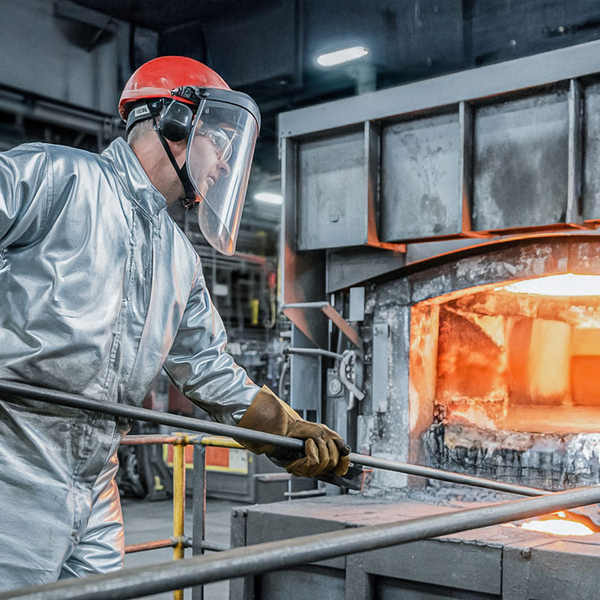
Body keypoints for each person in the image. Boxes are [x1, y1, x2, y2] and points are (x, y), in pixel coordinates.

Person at [0, 55, 350, 589]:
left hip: (96, 485)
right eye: (220, 144)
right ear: (176, 121)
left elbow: (207, 367)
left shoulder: (178, 257)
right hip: (12, 470)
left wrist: (287, 434)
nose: (225, 165)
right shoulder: (57, 178)